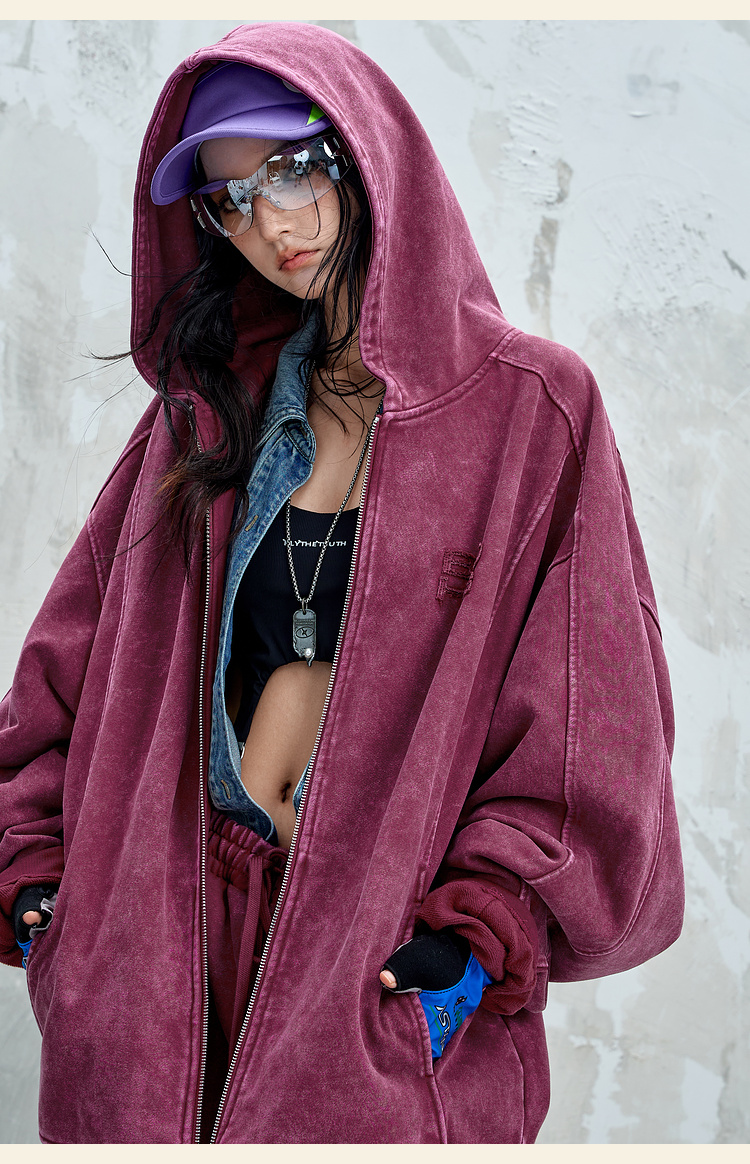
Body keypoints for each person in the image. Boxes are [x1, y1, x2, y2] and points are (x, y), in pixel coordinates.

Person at [0, 22, 684, 1145]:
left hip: (373, 973)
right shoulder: (204, 419)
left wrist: (479, 937)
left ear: (365, 151)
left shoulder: (534, 416)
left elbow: (590, 733)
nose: (271, 225)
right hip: (159, 956)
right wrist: (44, 899)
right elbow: (61, 680)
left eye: (289, 169)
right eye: (230, 201)